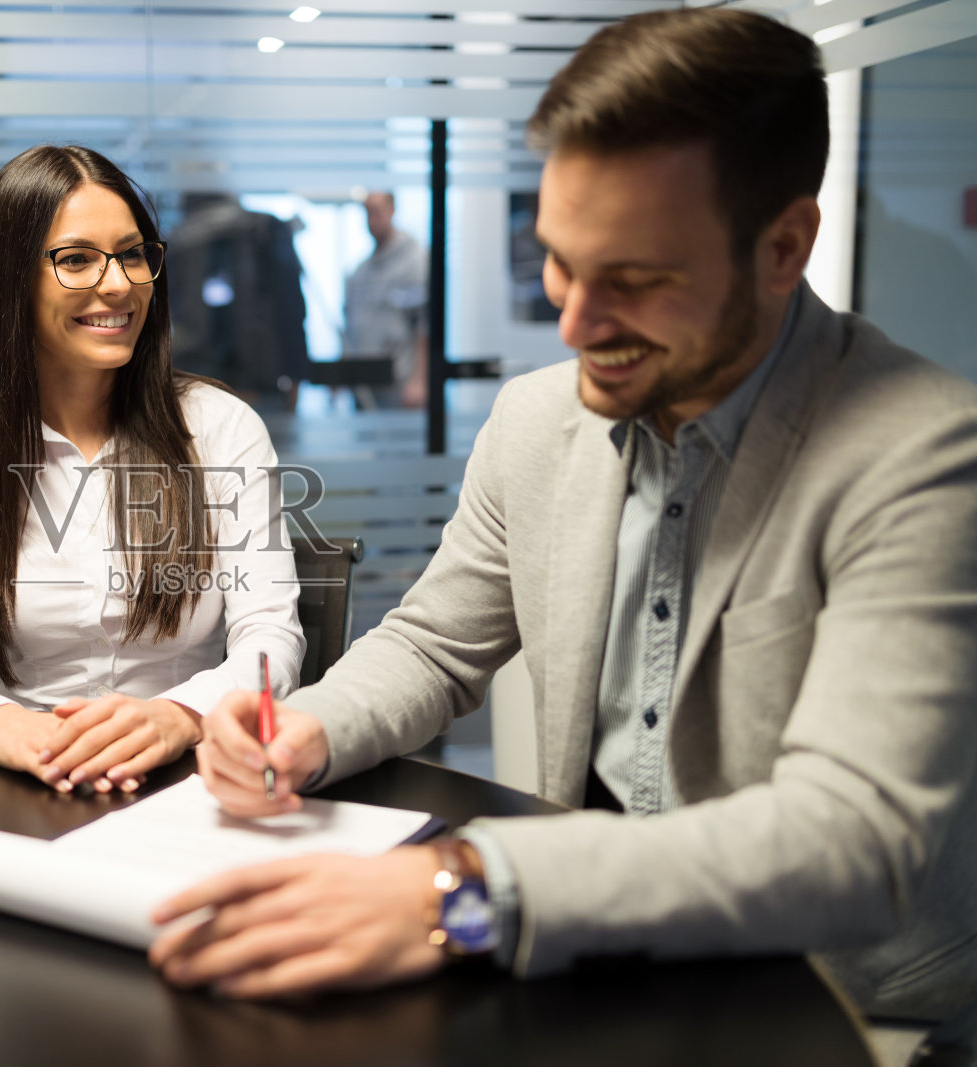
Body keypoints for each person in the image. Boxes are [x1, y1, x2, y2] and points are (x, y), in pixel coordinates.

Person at [148, 5, 977, 1047]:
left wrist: (462, 882)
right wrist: (313, 727)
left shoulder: (925, 453)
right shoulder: (540, 418)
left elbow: (852, 835)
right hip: (577, 955)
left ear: (783, 246)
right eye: (557, 262)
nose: (575, 325)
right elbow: (435, 642)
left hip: (837, 1002)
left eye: (632, 280)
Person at [0, 146, 305, 794]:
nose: (117, 283)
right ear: (13, 281)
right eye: (77, 258)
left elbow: (271, 642)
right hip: (24, 780)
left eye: (133, 253)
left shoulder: (221, 430)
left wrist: (176, 715)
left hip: (188, 778)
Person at [165, 193, 309, 413]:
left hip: (194, 381)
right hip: (256, 384)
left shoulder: (176, 238)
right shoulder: (263, 228)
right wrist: (296, 374)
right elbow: (290, 308)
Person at [342, 191, 429, 408]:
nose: (371, 220)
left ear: (391, 210)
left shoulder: (414, 262)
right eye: (367, 213)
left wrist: (419, 380)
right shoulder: (361, 271)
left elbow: (425, 326)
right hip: (364, 385)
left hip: (400, 384)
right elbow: (349, 324)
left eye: (376, 212)